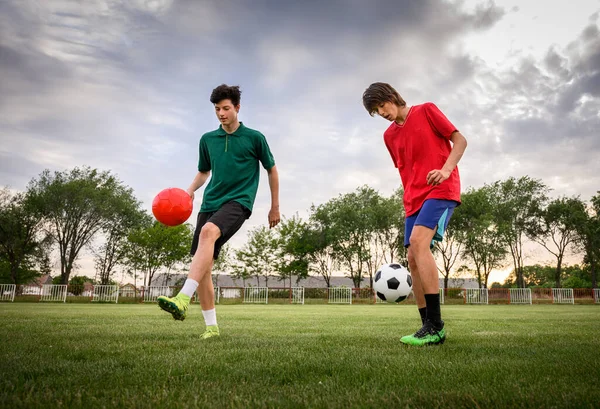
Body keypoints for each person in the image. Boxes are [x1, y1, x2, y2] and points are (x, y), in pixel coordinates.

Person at [157, 84, 280, 339]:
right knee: (203, 268)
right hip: (210, 202)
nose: (221, 113)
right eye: (217, 109)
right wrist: (190, 190)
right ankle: (211, 328)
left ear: (237, 107)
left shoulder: (254, 137)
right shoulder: (207, 139)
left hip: (239, 201)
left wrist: (274, 206)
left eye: (226, 108)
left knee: (208, 231)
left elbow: (272, 170)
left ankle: (182, 297)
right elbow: (204, 171)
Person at [362, 82, 467, 346]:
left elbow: (460, 140)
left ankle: (437, 325)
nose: (382, 112)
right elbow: (406, 169)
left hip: (440, 187)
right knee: (412, 257)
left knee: (420, 244)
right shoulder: (388, 136)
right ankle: (427, 326)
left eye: (382, 105)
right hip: (413, 199)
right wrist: (408, 198)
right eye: (376, 111)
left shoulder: (427, 110)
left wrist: (445, 169)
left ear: (392, 97)